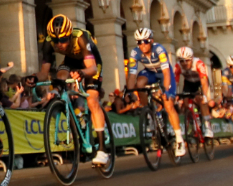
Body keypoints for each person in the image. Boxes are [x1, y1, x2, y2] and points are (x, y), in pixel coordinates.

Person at [37, 15, 110, 165]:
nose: (59, 44)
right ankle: (70, 109)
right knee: (60, 75)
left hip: (91, 63)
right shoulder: (48, 42)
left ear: (69, 35)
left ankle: (102, 150)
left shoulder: (80, 37)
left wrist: (82, 73)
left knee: (91, 99)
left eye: (63, 40)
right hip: (71, 61)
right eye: (56, 41)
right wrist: (32, 78)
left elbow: (92, 68)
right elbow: (44, 73)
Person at [123, 27, 186, 157]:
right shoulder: (135, 53)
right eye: (139, 42)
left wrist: (166, 90)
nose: (142, 45)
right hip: (150, 72)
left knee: (168, 104)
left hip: (164, 73)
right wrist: (129, 92)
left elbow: (166, 72)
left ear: (151, 40)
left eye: (145, 41)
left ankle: (180, 140)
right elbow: (132, 75)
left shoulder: (159, 50)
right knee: (139, 83)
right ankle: (149, 112)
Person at [174, 46, 214, 139]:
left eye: (187, 60)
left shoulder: (198, 63)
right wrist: (174, 94)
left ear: (192, 58)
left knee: (201, 100)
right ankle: (191, 121)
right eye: (181, 61)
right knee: (186, 101)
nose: (184, 63)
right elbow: (175, 82)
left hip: (200, 82)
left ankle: (207, 126)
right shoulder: (178, 66)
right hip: (188, 83)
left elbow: (204, 81)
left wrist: (204, 95)